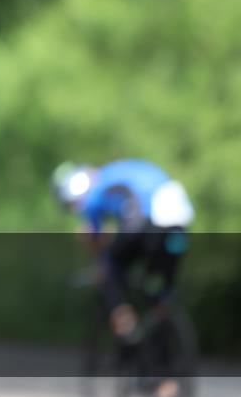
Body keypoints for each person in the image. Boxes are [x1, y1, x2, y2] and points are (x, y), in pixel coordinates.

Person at [53, 160, 195, 397]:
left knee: (108, 269)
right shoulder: (119, 174)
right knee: (160, 300)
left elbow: (96, 238)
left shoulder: (95, 190)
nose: (76, 208)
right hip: (178, 227)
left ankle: (124, 321)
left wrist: (95, 247)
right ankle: (165, 382)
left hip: (148, 224)